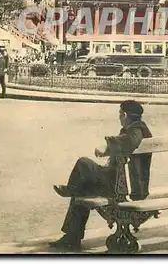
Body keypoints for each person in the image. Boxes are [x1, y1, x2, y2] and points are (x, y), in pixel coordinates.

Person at [49, 100, 152, 252]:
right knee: (83, 187)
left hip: (123, 187)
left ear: (124, 115)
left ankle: (72, 232)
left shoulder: (137, 130)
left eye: (119, 113)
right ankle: (72, 236)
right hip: (123, 182)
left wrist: (106, 146)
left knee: (83, 163)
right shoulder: (138, 128)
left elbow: (131, 141)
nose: (119, 116)